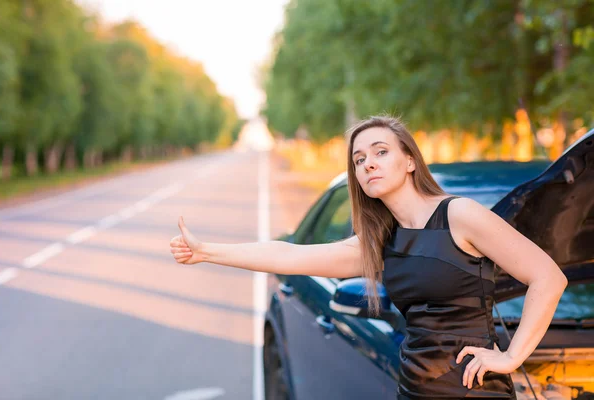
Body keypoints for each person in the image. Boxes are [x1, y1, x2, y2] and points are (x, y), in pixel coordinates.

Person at [169, 115, 567, 399]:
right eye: (359, 160)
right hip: (413, 387)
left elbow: (548, 277)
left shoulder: (459, 215)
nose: (368, 163)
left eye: (380, 151)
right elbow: (289, 256)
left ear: (409, 161)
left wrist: (513, 356)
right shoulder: (380, 242)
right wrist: (207, 252)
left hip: (472, 391)